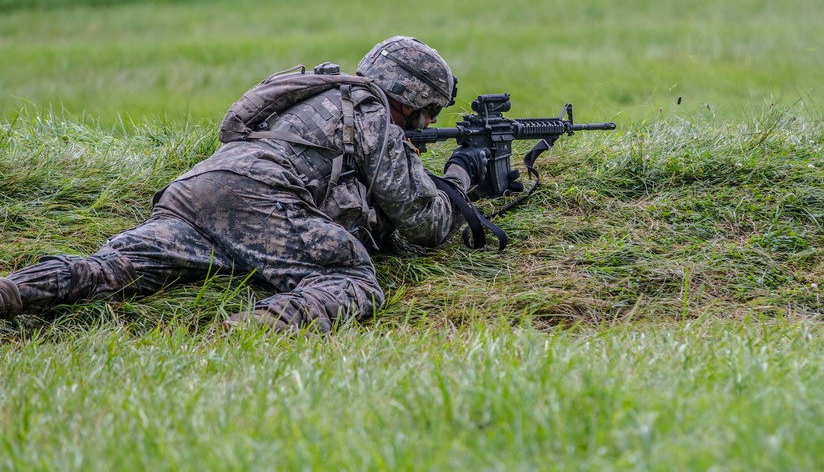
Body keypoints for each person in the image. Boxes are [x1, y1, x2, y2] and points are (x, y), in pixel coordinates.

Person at [0, 36, 489, 333]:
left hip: (198, 190)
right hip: (260, 198)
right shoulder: (371, 110)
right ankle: (243, 335)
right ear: (411, 97)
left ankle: (14, 291)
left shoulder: (320, 96)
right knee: (352, 281)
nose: (427, 124)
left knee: (113, 269)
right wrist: (459, 179)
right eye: (428, 112)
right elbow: (424, 223)